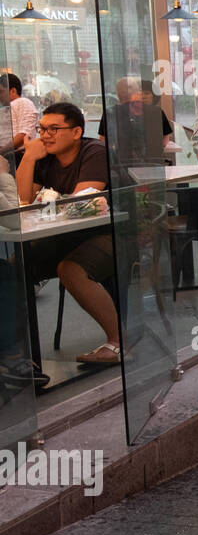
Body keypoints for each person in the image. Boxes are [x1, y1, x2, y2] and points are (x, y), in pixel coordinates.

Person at [15, 103, 120, 365]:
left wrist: (45, 205)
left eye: (53, 129)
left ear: (76, 132)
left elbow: (82, 205)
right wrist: (28, 158)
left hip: (113, 231)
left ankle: (118, 344)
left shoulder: (95, 151)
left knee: (70, 268)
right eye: (42, 129)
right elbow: (23, 199)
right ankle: (18, 357)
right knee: (15, 268)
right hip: (70, 235)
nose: (45, 135)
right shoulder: (44, 158)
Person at [2, 73, 38, 151]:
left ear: (13, 91)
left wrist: (2, 151)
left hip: (18, 155)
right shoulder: (6, 108)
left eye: (1, 91)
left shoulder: (23, 102)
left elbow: (24, 135)